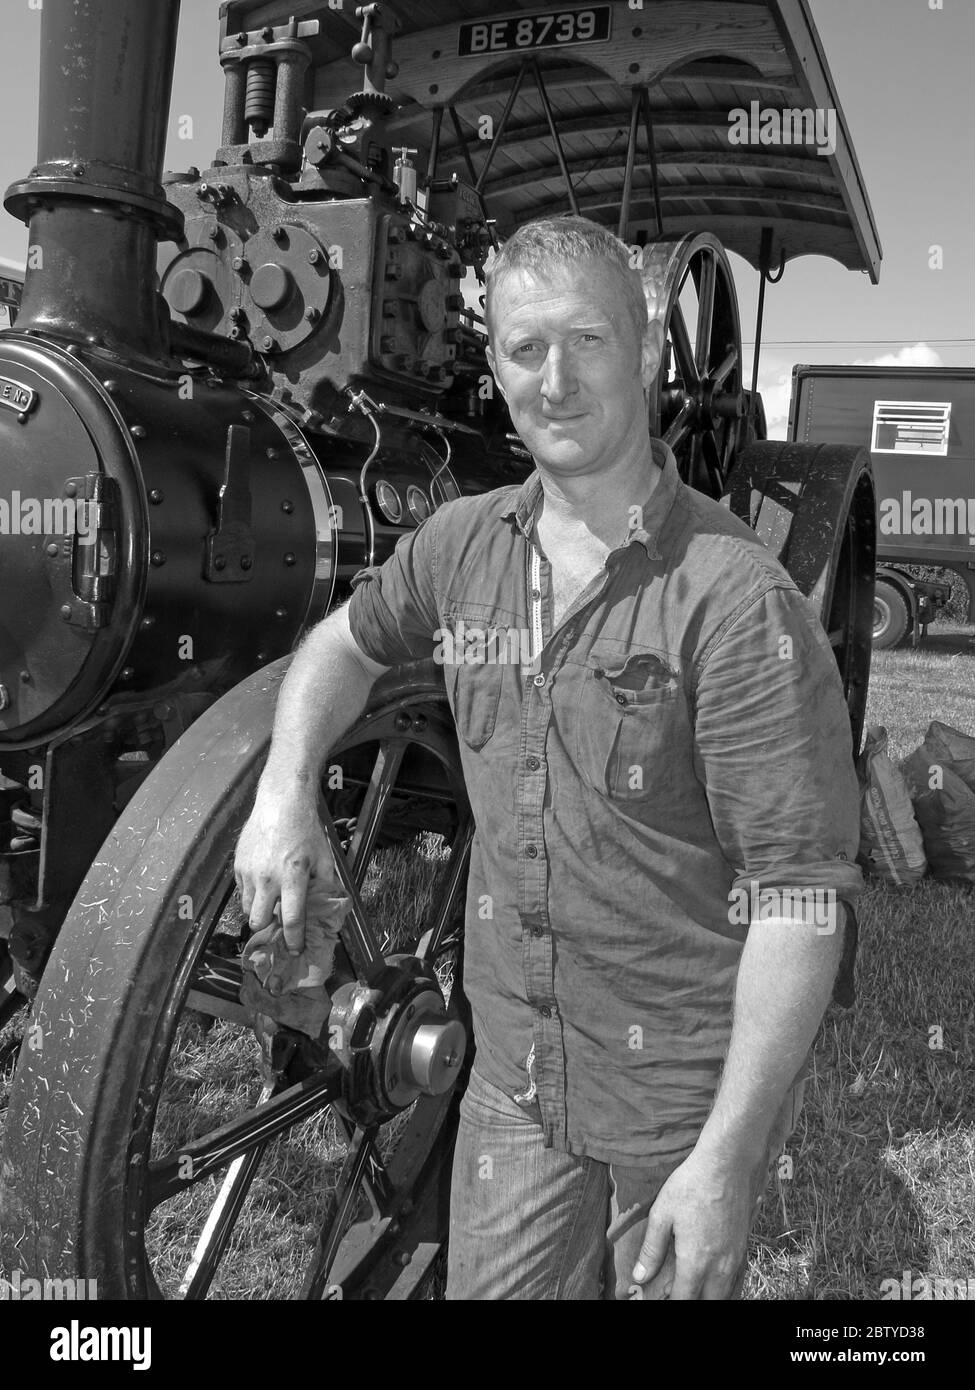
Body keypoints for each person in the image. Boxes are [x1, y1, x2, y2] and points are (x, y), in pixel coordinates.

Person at [234, 215, 864, 1300]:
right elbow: (340, 646)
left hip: (676, 1103)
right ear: (494, 368)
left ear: (651, 356)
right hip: (512, 1081)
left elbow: (801, 903)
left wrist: (728, 1158)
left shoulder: (736, 597)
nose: (557, 380)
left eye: (589, 342)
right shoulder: (462, 541)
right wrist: (286, 788)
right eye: (527, 350)